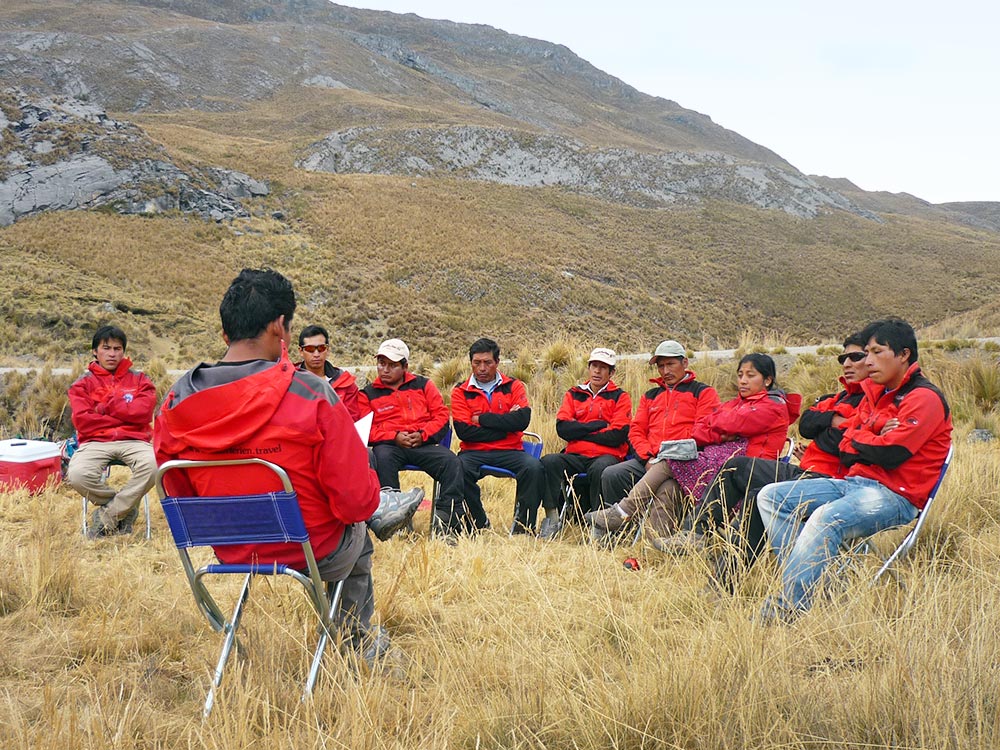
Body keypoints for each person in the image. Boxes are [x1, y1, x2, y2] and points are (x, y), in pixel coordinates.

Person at [154, 268, 423, 663]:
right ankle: (356, 642)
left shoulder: (176, 402)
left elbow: (175, 490)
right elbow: (352, 502)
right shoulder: (312, 394)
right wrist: (366, 508)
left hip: (230, 549)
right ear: (280, 326)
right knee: (359, 530)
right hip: (312, 549)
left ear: (226, 332)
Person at [757, 318, 952, 622]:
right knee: (771, 497)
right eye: (867, 352)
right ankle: (821, 586)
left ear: (903, 355)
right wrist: (871, 434)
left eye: (877, 352)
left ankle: (789, 608)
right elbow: (844, 447)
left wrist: (862, 438)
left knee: (825, 517)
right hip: (855, 483)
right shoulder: (876, 395)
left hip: (895, 496)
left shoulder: (923, 398)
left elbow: (891, 453)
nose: (868, 360)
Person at [691, 333, 868, 588]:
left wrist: (827, 428)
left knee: (757, 491)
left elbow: (849, 447)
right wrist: (830, 422)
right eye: (843, 358)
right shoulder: (837, 398)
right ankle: (696, 536)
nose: (847, 363)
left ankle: (721, 578)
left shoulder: (873, 402)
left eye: (856, 357)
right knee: (736, 469)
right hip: (807, 471)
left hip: (834, 483)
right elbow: (806, 423)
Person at [585, 340, 720, 540]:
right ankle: (619, 532)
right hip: (650, 460)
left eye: (670, 364)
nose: (665, 370)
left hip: (686, 463)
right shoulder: (650, 396)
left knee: (667, 489)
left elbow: (704, 430)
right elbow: (636, 430)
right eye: (660, 366)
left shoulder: (703, 392)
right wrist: (647, 458)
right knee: (612, 473)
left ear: (685, 363)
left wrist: (670, 454)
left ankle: (653, 539)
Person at [359, 338, 466, 539]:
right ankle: (394, 522)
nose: (385, 369)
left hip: (422, 444)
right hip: (390, 447)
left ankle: (446, 522)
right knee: (382, 457)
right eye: (382, 363)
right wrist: (393, 436)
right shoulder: (367, 394)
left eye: (392, 365)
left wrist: (423, 435)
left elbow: (441, 415)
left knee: (452, 462)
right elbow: (367, 429)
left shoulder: (424, 385)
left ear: (405, 366)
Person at [66, 325, 158, 538]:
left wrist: (104, 408)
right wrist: (127, 411)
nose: (112, 353)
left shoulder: (140, 380)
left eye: (117, 348)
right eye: (106, 348)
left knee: (155, 465)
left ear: (123, 352)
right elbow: (83, 421)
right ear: (95, 352)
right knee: (78, 475)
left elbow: (143, 414)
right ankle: (124, 508)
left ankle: (108, 515)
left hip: (134, 440)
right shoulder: (82, 384)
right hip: (95, 442)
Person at [451, 337, 545, 534]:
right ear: (471, 363)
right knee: (456, 469)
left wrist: (481, 419)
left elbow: (521, 421)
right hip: (473, 452)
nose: (482, 368)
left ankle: (523, 527)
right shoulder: (460, 391)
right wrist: (506, 426)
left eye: (488, 362)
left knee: (534, 467)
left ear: (497, 363)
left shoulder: (514, 386)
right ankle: (478, 523)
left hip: (511, 450)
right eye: (477, 363)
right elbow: (464, 432)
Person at [537, 347, 632, 539]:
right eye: (594, 366)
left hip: (607, 455)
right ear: (589, 368)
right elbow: (563, 428)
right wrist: (597, 426)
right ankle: (552, 517)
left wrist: (579, 430)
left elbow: (617, 435)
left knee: (602, 468)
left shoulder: (621, 397)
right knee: (549, 461)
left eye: (603, 368)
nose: (597, 371)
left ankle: (599, 524)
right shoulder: (573, 393)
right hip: (575, 455)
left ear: (611, 372)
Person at [296, 324, 361, 421]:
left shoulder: (345, 383)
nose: (316, 354)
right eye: (310, 349)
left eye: (321, 348)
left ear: (328, 350)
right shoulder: (289, 380)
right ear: (301, 351)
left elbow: (352, 420)